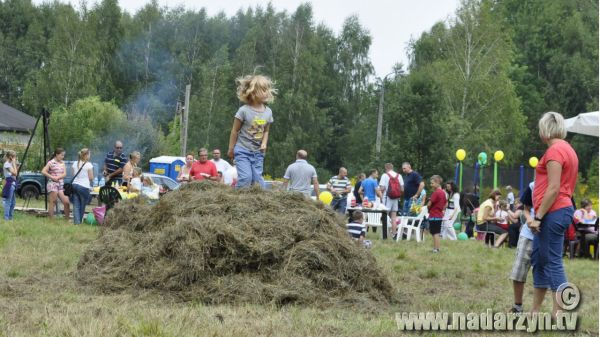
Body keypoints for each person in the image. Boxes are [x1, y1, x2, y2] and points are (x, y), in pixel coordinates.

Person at [527, 112, 578, 318]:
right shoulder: (568, 149)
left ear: (544, 130)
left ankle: (559, 314)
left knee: (553, 262)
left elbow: (554, 188)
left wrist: (538, 216)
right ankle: (535, 311)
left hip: (553, 211)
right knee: (540, 260)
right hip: (554, 211)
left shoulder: (555, 151)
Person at [227, 75, 276, 188]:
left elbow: (266, 131)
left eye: (267, 90)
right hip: (242, 150)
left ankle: (258, 204)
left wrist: (264, 143)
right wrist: (231, 148)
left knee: (258, 182)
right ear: (254, 92)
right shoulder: (244, 110)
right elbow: (234, 131)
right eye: (264, 90)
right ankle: (237, 201)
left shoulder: (268, 112)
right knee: (246, 178)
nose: (267, 93)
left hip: (258, 153)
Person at [509, 181, 536, 314]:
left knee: (543, 275)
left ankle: (536, 310)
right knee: (519, 271)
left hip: (549, 237)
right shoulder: (532, 186)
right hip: (528, 235)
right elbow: (526, 209)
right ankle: (517, 306)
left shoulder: (562, 187)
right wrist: (530, 219)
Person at [41, 148, 70, 219]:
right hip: (52, 184)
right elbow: (43, 171)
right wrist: (52, 177)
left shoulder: (62, 163)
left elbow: (65, 173)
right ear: (57, 154)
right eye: (61, 155)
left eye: (63, 155)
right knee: (53, 202)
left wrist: (58, 177)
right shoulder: (51, 162)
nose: (63, 157)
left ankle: (67, 219)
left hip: (61, 185)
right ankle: (51, 219)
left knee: (66, 202)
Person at [379, 163, 403, 240]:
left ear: (386, 168)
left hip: (387, 198)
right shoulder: (399, 176)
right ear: (392, 168)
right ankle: (394, 234)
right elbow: (402, 189)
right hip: (396, 198)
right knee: (394, 217)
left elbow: (382, 188)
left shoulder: (384, 175)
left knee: (384, 216)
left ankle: (385, 235)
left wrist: (379, 193)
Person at [69, 148, 94, 225]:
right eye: (89, 154)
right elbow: (91, 178)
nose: (90, 156)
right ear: (86, 155)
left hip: (74, 185)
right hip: (84, 186)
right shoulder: (88, 165)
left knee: (76, 205)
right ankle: (79, 221)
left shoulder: (75, 163)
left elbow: (73, 175)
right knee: (82, 205)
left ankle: (77, 222)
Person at [427, 175, 446, 253]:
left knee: (435, 233)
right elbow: (446, 203)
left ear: (437, 183)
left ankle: (436, 249)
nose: (431, 185)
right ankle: (436, 248)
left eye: (432, 183)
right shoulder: (443, 193)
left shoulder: (436, 193)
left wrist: (428, 209)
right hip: (439, 215)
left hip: (434, 216)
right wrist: (442, 210)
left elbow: (429, 204)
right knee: (436, 233)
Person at [2, 150, 18, 220]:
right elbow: (15, 173)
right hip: (9, 184)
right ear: (11, 157)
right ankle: (6, 218)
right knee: (8, 202)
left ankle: (10, 217)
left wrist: (16, 165)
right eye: (15, 157)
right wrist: (14, 163)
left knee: (13, 202)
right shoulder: (7, 164)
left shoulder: (10, 164)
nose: (15, 158)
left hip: (13, 183)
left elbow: (15, 173)